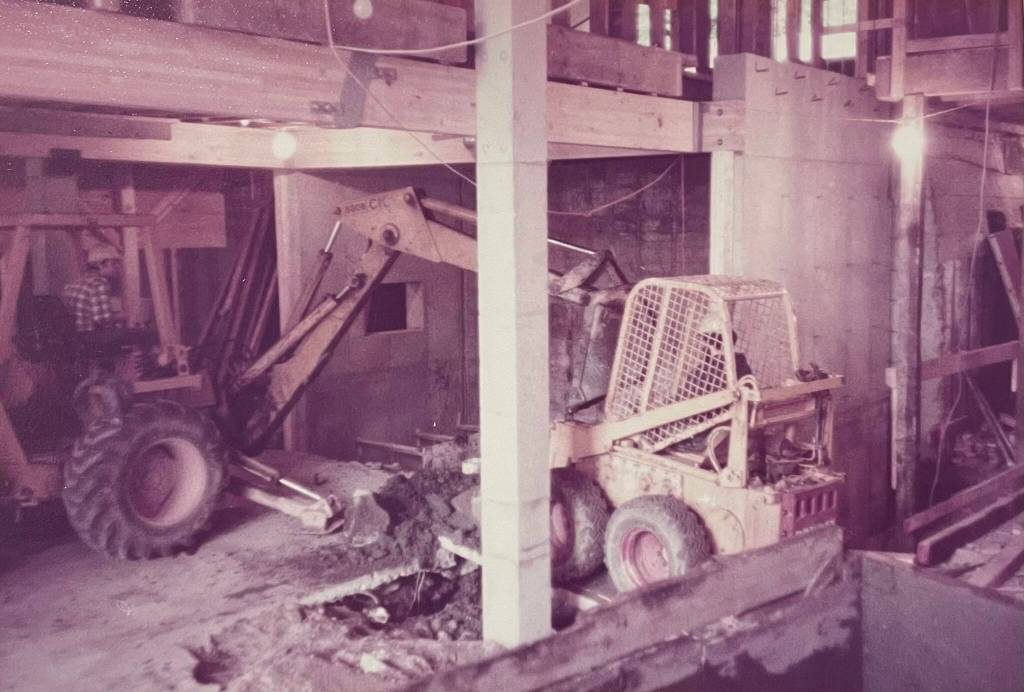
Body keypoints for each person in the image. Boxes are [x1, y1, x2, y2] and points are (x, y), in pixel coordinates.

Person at [63, 243, 124, 332]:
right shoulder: (99, 283)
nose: (118, 267)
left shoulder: (75, 283)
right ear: (100, 264)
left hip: (75, 336)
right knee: (143, 334)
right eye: (114, 263)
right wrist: (124, 316)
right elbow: (102, 319)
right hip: (90, 336)